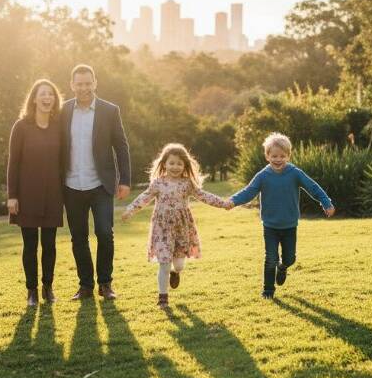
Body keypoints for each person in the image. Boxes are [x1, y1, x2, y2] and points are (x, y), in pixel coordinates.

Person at [122, 143, 232, 308]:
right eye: (172, 163)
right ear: (164, 163)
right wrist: (130, 210)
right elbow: (144, 197)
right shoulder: (158, 183)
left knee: (178, 264)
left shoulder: (187, 184)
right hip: (162, 228)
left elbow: (203, 196)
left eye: (179, 163)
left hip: (182, 227)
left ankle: (176, 272)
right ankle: (162, 297)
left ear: (185, 165)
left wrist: (222, 203)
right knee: (164, 262)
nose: (175, 167)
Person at [227, 132, 335, 299]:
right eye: (274, 156)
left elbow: (312, 187)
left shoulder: (294, 173)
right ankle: (268, 291)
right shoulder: (263, 176)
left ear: (288, 156)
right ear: (267, 156)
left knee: (290, 258)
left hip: (290, 225)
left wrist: (326, 202)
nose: (278, 159)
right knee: (270, 258)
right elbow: (249, 192)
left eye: (282, 156)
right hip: (270, 225)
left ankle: (283, 267)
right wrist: (233, 201)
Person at [61, 64, 131, 301]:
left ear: (95, 83)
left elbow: (121, 146)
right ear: (72, 85)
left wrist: (125, 180)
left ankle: (105, 284)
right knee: (78, 237)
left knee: (104, 233)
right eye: (79, 84)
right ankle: (85, 286)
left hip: (101, 184)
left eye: (87, 83)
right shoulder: (62, 112)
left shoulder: (109, 111)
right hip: (71, 185)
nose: (83, 88)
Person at [6, 79, 64, 306]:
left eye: (51, 94)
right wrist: (12, 195)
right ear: (34, 98)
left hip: (53, 195)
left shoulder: (59, 127)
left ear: (55, 99)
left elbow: (63, 162)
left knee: (49, 245)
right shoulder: (21, 127)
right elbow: (13, 163)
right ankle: (31, 291)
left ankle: (48, 288)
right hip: (26, 194)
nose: (47, 97)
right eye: (43, 94)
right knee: (30, 245)